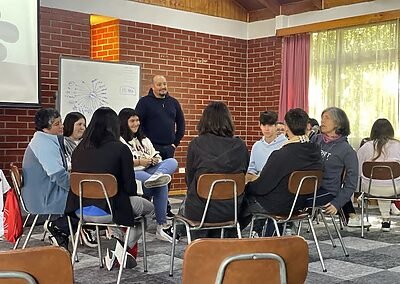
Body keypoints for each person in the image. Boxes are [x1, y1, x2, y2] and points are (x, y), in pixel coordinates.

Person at [64, 107, 154, 268]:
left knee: (127, 208)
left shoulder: (79, 149)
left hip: (80, 209)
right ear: (115, 126)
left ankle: (117, 243)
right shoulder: (121, 149)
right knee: (149, 209)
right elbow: (130, 188)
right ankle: (121, 248)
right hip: (109, 210)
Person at [239, 108, 322, 235]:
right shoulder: (315, 150)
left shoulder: (281, 154)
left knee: (241, 202)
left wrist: (247, 186)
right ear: (307, 126)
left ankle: (231, 237)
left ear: (286, 128)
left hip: (278, 204)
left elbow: (262, 187)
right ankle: (265, 236)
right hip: (300, 202)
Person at [181, 101, 249, 237]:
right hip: (232, 210)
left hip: (201, 211)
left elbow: (189, 179)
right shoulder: (240, 145)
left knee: (184, 206)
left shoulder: (196, 144)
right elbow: (244, 173)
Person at [119, 108, 178, 242]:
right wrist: (140, 161)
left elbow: (154, 152)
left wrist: (155, 159)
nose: (136, 123)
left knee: (172, 161)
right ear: (124, 122)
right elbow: (122, 162)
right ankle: (161, 226)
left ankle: (158, 175)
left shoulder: (144, 139)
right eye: (132, 121)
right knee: (161, 184)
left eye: (137, 120)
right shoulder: (120, 140)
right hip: (134, 172)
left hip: (150, 169)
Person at [135, 75, 185, 218]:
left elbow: (181, 124)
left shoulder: (173, 103)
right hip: (150, 149)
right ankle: (146, 206)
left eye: (164, 84)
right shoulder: (144, 103)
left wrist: (175, 143)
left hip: (168, 148)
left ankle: (164, 208)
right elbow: (137, 124)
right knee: (148, 177)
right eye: (159, 84)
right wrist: (144, 144)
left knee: (164, 179)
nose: (163, 87)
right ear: (152, 86)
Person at [21, 108, 71, 249]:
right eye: (57, 124)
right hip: (44, 196)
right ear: (45, 128)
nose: (62, 126)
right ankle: (58, 227)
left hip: (44, 191)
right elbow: (58, 175)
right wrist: (75, 188)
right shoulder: (44, 144)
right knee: (88, 197)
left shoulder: (45, 139)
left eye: (61, 122)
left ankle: (62, 229)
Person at [310, 107, 363, 227]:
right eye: (322, 118)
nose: (322, 121)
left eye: (327, 118)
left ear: (338, 123)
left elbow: (351, 182)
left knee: (292, 199)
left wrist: (337, 203)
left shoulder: (347, 151)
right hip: (309, 186)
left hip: (328, 191)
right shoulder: (315, 139)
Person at [357, 118, 400, 231]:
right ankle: (386, 219)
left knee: (380, 183)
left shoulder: (366, 146)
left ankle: (386, 218)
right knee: (387, 183)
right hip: (394, 188)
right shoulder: (398, 145)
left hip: (370, 188)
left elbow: (357, 169)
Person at [247, 111, 287, 182]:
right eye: (264, 125)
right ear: (260, 126)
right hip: (258, 183)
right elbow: (251, 169)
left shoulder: (285, 144)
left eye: (270, 125)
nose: (266, 129)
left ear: (275, 126)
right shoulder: (257, 146)